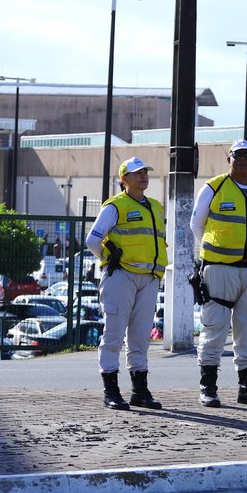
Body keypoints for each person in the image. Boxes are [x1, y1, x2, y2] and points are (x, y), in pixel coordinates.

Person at [190, 139, 247, 407]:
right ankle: (208, 387)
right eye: (237, 155)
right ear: (228, 159)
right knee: (214, 327)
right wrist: (213, 252)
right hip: (219, 269)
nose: (242, 160)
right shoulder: (214, 188)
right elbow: (196, 224)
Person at [84, 156, 167, 411]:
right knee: (114, 335)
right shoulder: (115, 206)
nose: (143, 176)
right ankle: (111, 390)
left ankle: (139, 390)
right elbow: (92, 240)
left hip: (150, 277)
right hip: (121, 276)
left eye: (145, 171)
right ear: (124, 179)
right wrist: (108, 258)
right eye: (136, 172)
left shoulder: (155, 206)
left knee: (141, 337)